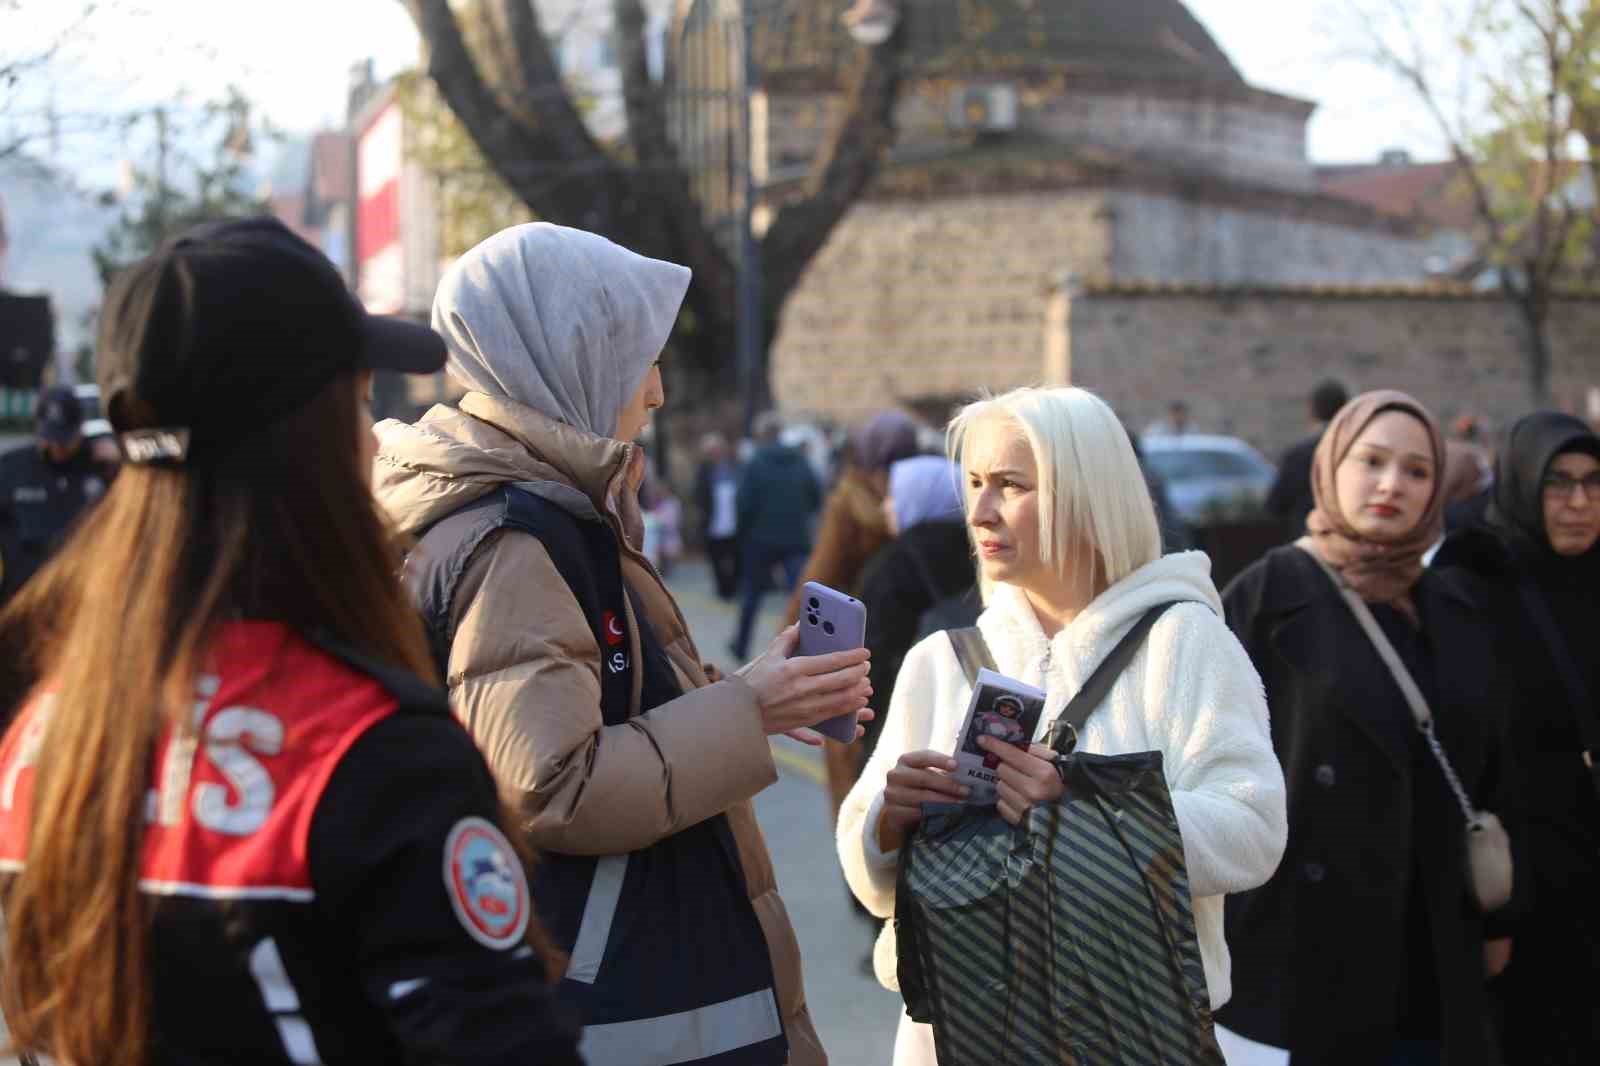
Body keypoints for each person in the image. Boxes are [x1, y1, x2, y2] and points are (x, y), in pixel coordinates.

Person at [0, 217, 580, 1065]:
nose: (374, 434)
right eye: (358, 401)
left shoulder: (41, 737)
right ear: (304, 443)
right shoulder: (372, 755)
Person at [374, 222, 872, 1066]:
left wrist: (741, 694)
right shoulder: (513, 542)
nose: (658, 391)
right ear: (571, 356)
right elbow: (552, 784)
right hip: (624, 1011)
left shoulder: (542, 511)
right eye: (639, 356)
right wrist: (746, 712)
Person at [837, 385, 1287, 1066]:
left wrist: (1083, 805)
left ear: (1087, 493)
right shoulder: (941, 662)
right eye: (975, 483)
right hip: (954, 1036)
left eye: (1011, 485)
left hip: (1127, 1031)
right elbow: (867, 863)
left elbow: (1253, 830)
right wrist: (886, 825)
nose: (981, 511)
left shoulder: (1184, 642)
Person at [1216, 390, 1517, 1066]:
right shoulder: (1268, 595)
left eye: (1416, 471)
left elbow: (1490, 770)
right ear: (1331, 464)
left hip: (1433, 942)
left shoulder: (1452, 604)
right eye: (1372, 460)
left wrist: (1496, 916)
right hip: (1301, 944)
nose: (1391, 485)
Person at [1433, 412, 1600, 1065]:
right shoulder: (1476, 577)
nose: (1579, 503)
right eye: (1558, 483)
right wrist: (1491, 917)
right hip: (1528, 880)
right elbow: (1464, 754)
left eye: (1593, 482)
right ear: (1524, 483)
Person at [784, 409, 922, 820]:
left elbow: (817, 580)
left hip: (858, 647)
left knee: (860, 768)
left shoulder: (853, 503)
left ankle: (864, 860)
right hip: (877, 645)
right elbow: (821, 577)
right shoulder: (922, 496)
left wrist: (790, 646)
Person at [858, 454, 973, 758]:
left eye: (894, 497)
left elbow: (875, 653)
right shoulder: (984, 558)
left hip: (897, 720)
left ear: (921, 499)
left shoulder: (895, 566)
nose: (886, 507)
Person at [0, 384, 112, 604]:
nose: (55, 447)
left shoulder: (101, 466)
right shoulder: (10, 468)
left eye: (63, 439)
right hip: (21, 600)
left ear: (80, 430)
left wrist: (121, 462)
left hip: (82, 600)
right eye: (49, 437)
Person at [731, 409, 824, 660]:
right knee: (803, 599)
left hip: (761, 540)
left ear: (761, 435)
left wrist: (743, 535)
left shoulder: (755, 462)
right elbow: (817, 496)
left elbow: (744, 504)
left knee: (752, 596)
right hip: (796, 539)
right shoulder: (800, 460)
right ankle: (811, 647)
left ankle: (740, 646)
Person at [1265, 378, 1348, 536]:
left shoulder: (1298, 455)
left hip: (1306, 540)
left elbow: (1274, 505)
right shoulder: (1355, 452)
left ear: (1312, 410)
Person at [692, 430, 741, 599]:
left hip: (734, 522)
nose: (714, 453)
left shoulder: (734, 466)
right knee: (716, 559)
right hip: (712, 522)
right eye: (710, 451)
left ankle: (733, 586)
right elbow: (697, 495)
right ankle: (723, 589)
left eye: (716, 449)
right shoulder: (703, 470)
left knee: (735, 557)